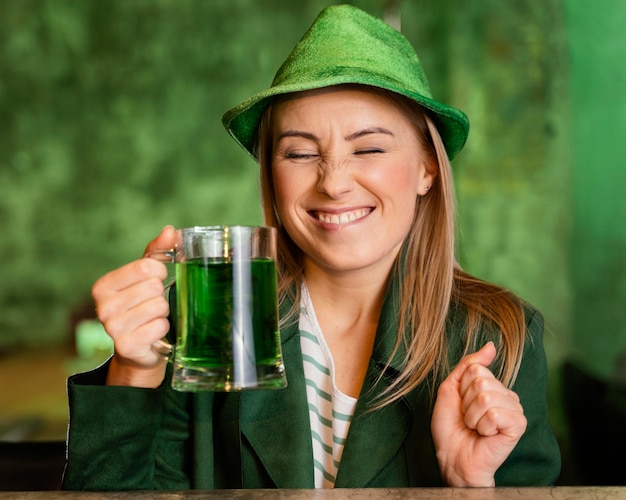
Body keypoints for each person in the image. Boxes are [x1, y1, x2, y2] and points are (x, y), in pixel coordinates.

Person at [62, 4, 561, 490]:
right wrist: (132, 372)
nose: (334, 183)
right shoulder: (213, 318)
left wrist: (471, 487)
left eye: (368, 148)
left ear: (428, 169)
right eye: (300, 153)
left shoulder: (500, 336)